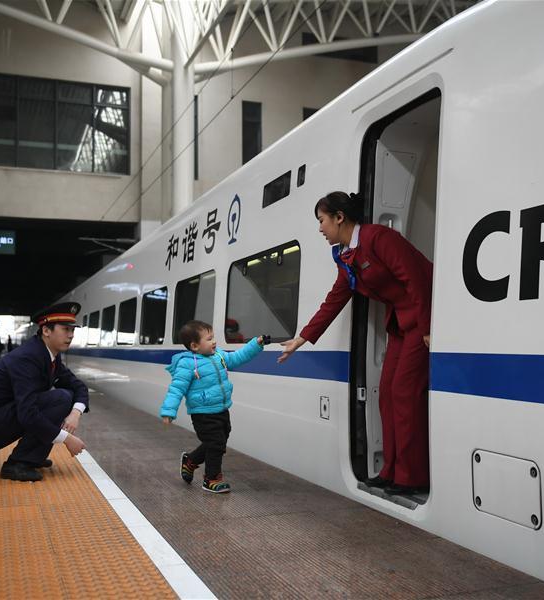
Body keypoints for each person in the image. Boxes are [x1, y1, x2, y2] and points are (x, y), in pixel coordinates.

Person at [278, 191, 433, 495]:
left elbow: (417, 279)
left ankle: (412, 476)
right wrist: (302, 338)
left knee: (404, 392)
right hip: (401, 323)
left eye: (322, 220)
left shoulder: (379, 238)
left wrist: (428, 328)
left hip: (421, 317)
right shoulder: (346, 256)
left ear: (339, 217)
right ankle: (391, 471)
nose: (320, 228)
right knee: (386, 393)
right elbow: (335, 299)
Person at [0, 302, 88, 482]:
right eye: (65, 329)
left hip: (1, 415)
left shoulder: (49, 355)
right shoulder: (27, 358)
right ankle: (17, 464)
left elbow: (78, 386)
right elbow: (28, 414)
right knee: (60, 399)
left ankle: (32, 457)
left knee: (66, 397)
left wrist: (76, 413)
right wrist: (67, 439)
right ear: (46, 331)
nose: (70, 335)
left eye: (72, 330)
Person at [159, 320, 267, 493]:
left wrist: (256, 344)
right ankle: (211, 479)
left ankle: (191, 461)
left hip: (222, 409)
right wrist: (169, 411)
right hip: (202, 413)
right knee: (216, 443)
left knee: (219, 440)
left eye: (213, 337)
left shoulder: (219, 356)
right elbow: (176, 388)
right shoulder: (187, 364)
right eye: (209, 339)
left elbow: (237, 357)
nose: (214, 342)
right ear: (194, 346)